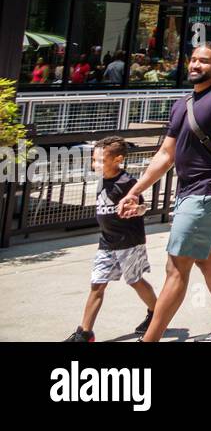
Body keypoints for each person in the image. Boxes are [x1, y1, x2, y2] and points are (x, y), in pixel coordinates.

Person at [116, 43, 211, 342]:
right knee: (209, 261)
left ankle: (148, 340)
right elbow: (165, 154)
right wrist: (136, 190)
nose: (195, 65)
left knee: (176, 267)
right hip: (187, 191)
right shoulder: (183, 104)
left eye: (203, 62)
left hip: (207, 193)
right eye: (192, 60)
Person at [66, 137, 157, 341]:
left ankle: (157, 313)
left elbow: (142, 207)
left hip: (130, 242)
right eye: (94, 160)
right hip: (106, 242)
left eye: (100, 161)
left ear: (118, 160)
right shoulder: (102, 181)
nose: (95, 165)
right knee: (97, 284)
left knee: (135, 280)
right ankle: (85, 332)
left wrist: (137, 209)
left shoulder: (127, 183)